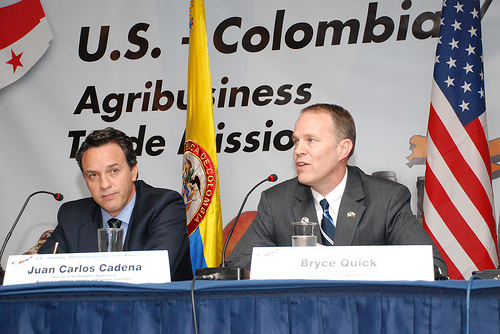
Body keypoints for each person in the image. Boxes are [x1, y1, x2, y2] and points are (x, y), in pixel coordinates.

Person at [226, 103, 448, 277]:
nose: (298, 151)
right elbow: (238, 265)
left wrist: (336, 262)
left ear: (343, 149)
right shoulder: (276, 201)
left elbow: (433, 267)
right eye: (296, 141)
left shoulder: (386, 199)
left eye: (310, 140)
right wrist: (293, 263)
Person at [38, 127, 193, 281]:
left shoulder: (165, 206)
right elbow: (40, 274)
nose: (104, 184)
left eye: (113, 171)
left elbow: (153, 272)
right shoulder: (72, 216)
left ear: (133, 172)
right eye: (93, 175)